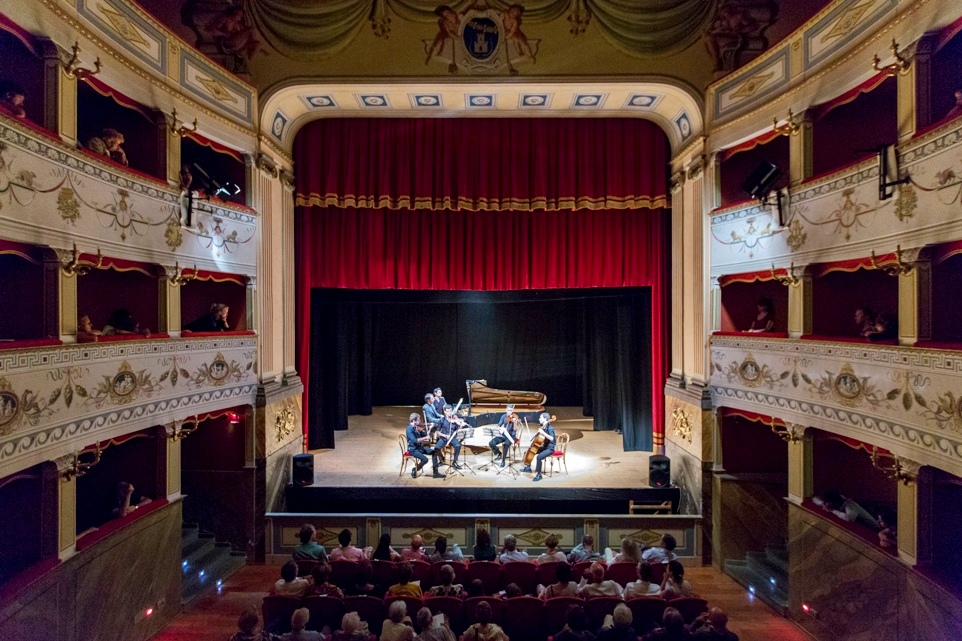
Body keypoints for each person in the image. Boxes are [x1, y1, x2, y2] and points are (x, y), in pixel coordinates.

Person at [814, 489, 879, 530]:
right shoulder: (837, 500)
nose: (825, 504)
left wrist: (832, 510)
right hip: (859, 528)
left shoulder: (849, 505)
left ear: (833, 501)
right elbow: (814, 498)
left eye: (826, 502)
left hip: (873, 530)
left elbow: (849, 519)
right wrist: (822, 504)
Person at [520, 412, 555, 482]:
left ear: (545, 419)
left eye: (540, 418)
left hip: (550, 448)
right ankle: (528, 467)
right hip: (545, 447)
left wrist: (543, 432)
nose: (539, 419)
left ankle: (539, 474)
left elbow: (552, 438)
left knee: (539, 457)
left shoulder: (550, 428)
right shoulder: (544, 427)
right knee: (532, 449)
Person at [407, 414, 444, 479]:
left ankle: (436, 473)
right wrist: (425, 437)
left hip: (419, 448)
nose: (420, 421)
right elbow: (415, 441)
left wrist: (430, 429)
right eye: (418, 420)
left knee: (434, 452)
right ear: (414, 421)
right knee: (425, 459)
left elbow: (424, 434)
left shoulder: (416, 427)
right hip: (413, 450)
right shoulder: (409, 429)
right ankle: (415, 469)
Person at [437, 405, 465, 470]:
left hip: (452, 437)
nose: (449, 412)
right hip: (444, 437)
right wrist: (445, 436)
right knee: (436, 448)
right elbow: (438, 432)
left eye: (450, 411)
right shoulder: (441, 420)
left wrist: (461, 425)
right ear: (444, 412)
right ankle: (441, 459)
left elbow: (458, 430)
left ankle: (454, 462)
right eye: (448, 411)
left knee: (458, 445)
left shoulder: (454, 420)